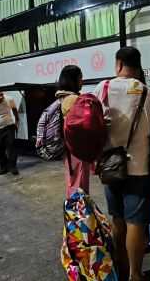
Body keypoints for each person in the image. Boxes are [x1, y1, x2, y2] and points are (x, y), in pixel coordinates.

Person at [93, 46, 150, 281]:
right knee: (135, 221)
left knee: (117, 217)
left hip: (110, 166)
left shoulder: (102, 88)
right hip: (139, 167)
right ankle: (135, 274)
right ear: (138, 68)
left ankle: (122, 266)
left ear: (118, 65)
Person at [56, 65, 93, 198]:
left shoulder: (62, 97)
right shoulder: (73, 99)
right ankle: (80, 216)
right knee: (79, 185)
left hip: (69, 148)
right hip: (77, 149)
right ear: (74, 80)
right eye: (80, 78)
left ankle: (74, 214)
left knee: (73, 182)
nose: (82, 82)